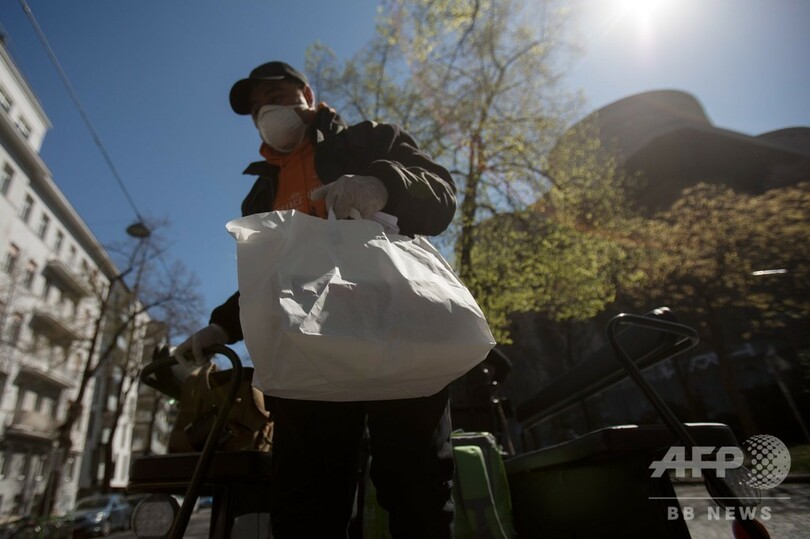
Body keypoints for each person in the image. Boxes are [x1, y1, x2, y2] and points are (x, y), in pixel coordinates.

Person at [174, 61, 457, 538]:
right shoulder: (258, 198)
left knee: (417, 490)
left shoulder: (371, 140)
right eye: (258, 105)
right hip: (309, 353)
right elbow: (263, 279)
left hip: (395, 329)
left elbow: (442, 195)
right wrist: (222, 325)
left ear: (306, 94)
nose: (269, 108)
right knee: (306, 505)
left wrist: (383, 184)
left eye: (278, 94)